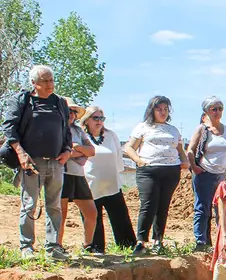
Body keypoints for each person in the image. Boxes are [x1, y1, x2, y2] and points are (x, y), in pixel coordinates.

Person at [2, 65, 72, 260]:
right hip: (31, 162)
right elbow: (9, 129)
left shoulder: (59, 103)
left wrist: (67, 150)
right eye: (45, 81)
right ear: (34, 83)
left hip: (56, 162)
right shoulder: (22, 101)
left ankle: (53, 247)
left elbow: (66, 130)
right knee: (29, 205)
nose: (50, 84)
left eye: (52, 80)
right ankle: (27, 247)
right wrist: (21, 154)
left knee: (55, 206)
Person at [124, 96, 190, 255]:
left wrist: (185, 162)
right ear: (152, 110)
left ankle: (158, 240)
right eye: (159, 109)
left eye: (165, 109)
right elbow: (129, 147)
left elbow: (180, 150)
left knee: (163, 206)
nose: (162, 112)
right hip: (149, 170)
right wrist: (139, 161)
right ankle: (141, 241)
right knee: (148, 204)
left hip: (171, 171)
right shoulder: (142, 127)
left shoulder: (173, 130)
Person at [80, 106, 136, 253]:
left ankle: (128, 246)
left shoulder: (111, 136)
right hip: (91, 185)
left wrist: (118, 174)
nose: (99, 121)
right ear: (86, 121)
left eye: (101, 118)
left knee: (120, 217)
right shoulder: (81, 136)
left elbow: (118, 157)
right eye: (95, 118)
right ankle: (96, 247)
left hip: (111, 183)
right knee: (94, 218)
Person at [188, 96, 226, 250]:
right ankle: (201, 242)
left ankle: (220, 242)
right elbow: (190, 150)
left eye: (220, 108)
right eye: (213, 109)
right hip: (204, 174)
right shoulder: (202, 129)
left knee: (221, 209)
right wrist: (195, 168)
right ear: (206, 111)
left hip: (222, 176)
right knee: (202, 209)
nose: (217, 112)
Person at [58, 98, 98, 252]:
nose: (72, 114)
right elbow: (58, 152)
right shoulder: (56, 128)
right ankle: (57, 245)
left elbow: (92, 151)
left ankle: (87, 245)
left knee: (91, 212)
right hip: (62, 174)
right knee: (61, 213)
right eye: (69, 111)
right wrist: (77, 152)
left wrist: (74, 149)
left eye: (74, 112)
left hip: (78, 175)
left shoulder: (78, 130)